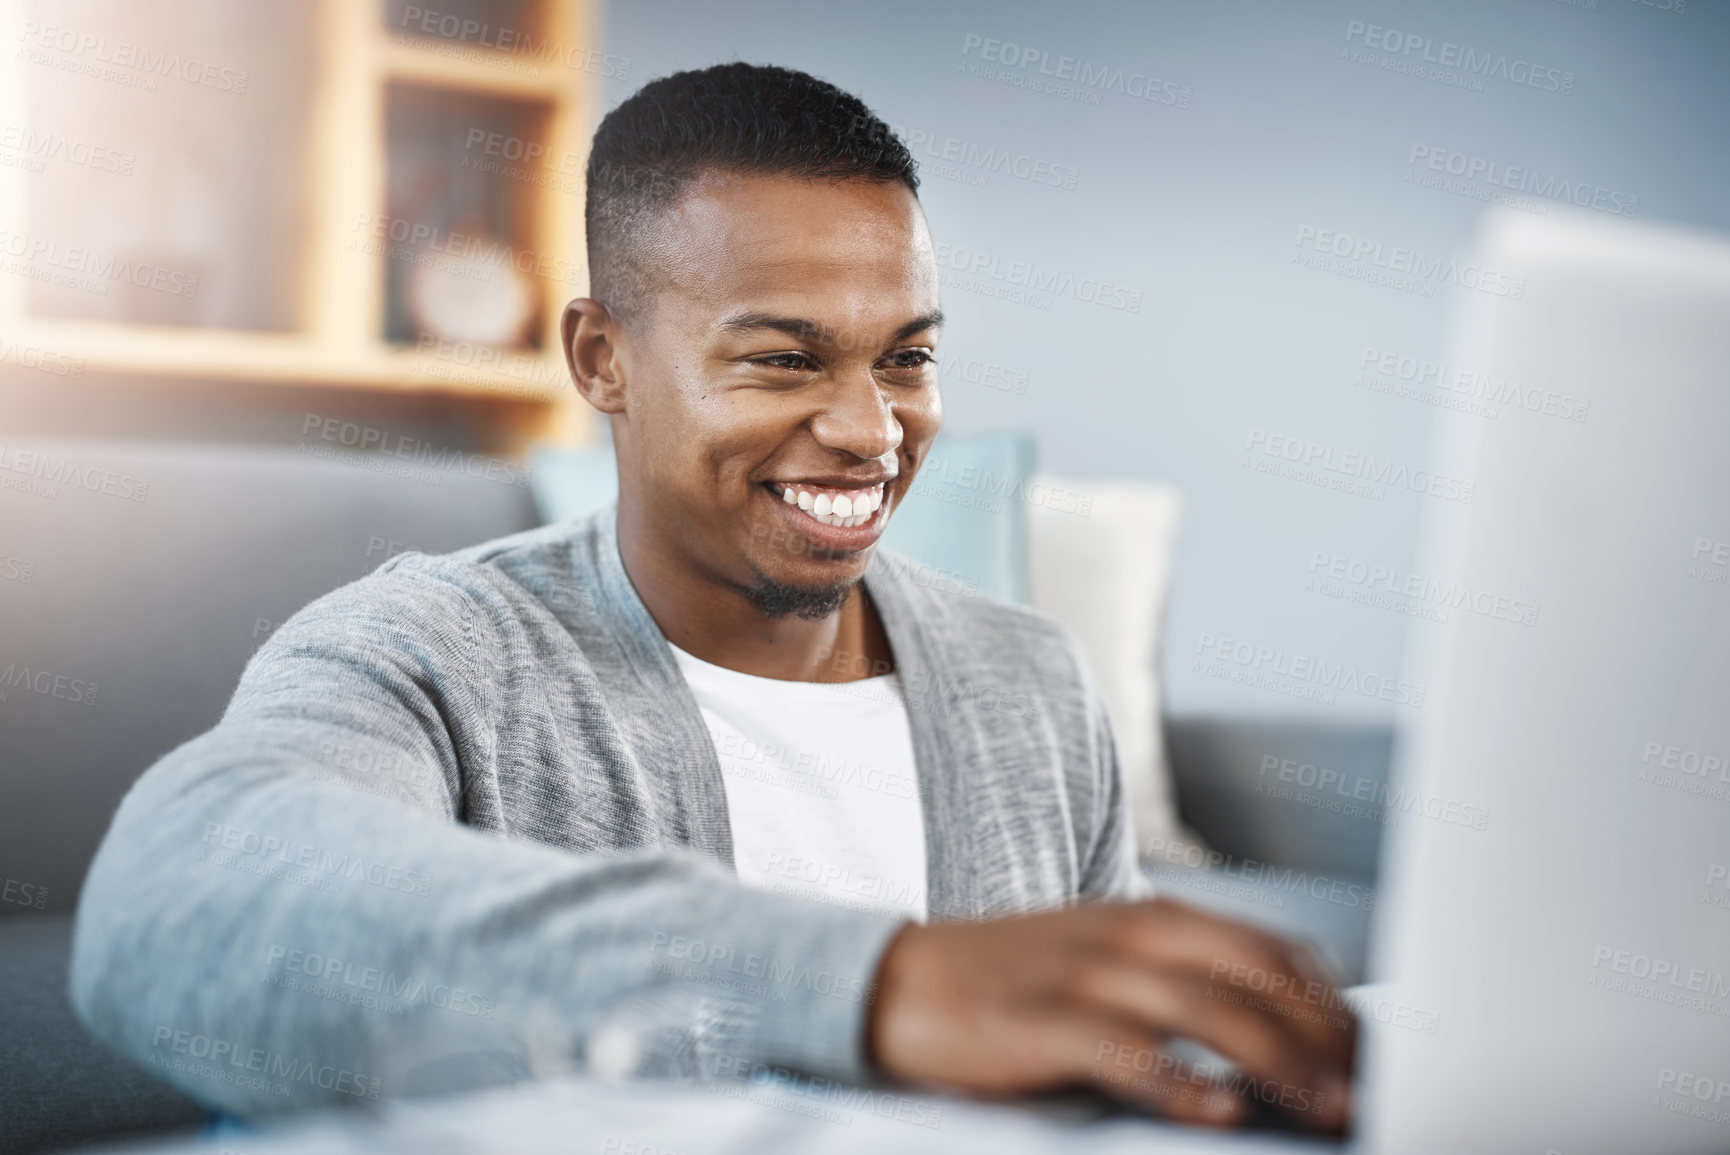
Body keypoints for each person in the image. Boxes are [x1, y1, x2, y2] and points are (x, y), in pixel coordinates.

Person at [71, 62, 1353, 1134]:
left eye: (905, 357)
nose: (871, 430)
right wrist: (872, 986)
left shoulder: (1030, 679)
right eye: (783, 359)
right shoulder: (433, 650)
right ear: (602, 358)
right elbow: (177, 905)